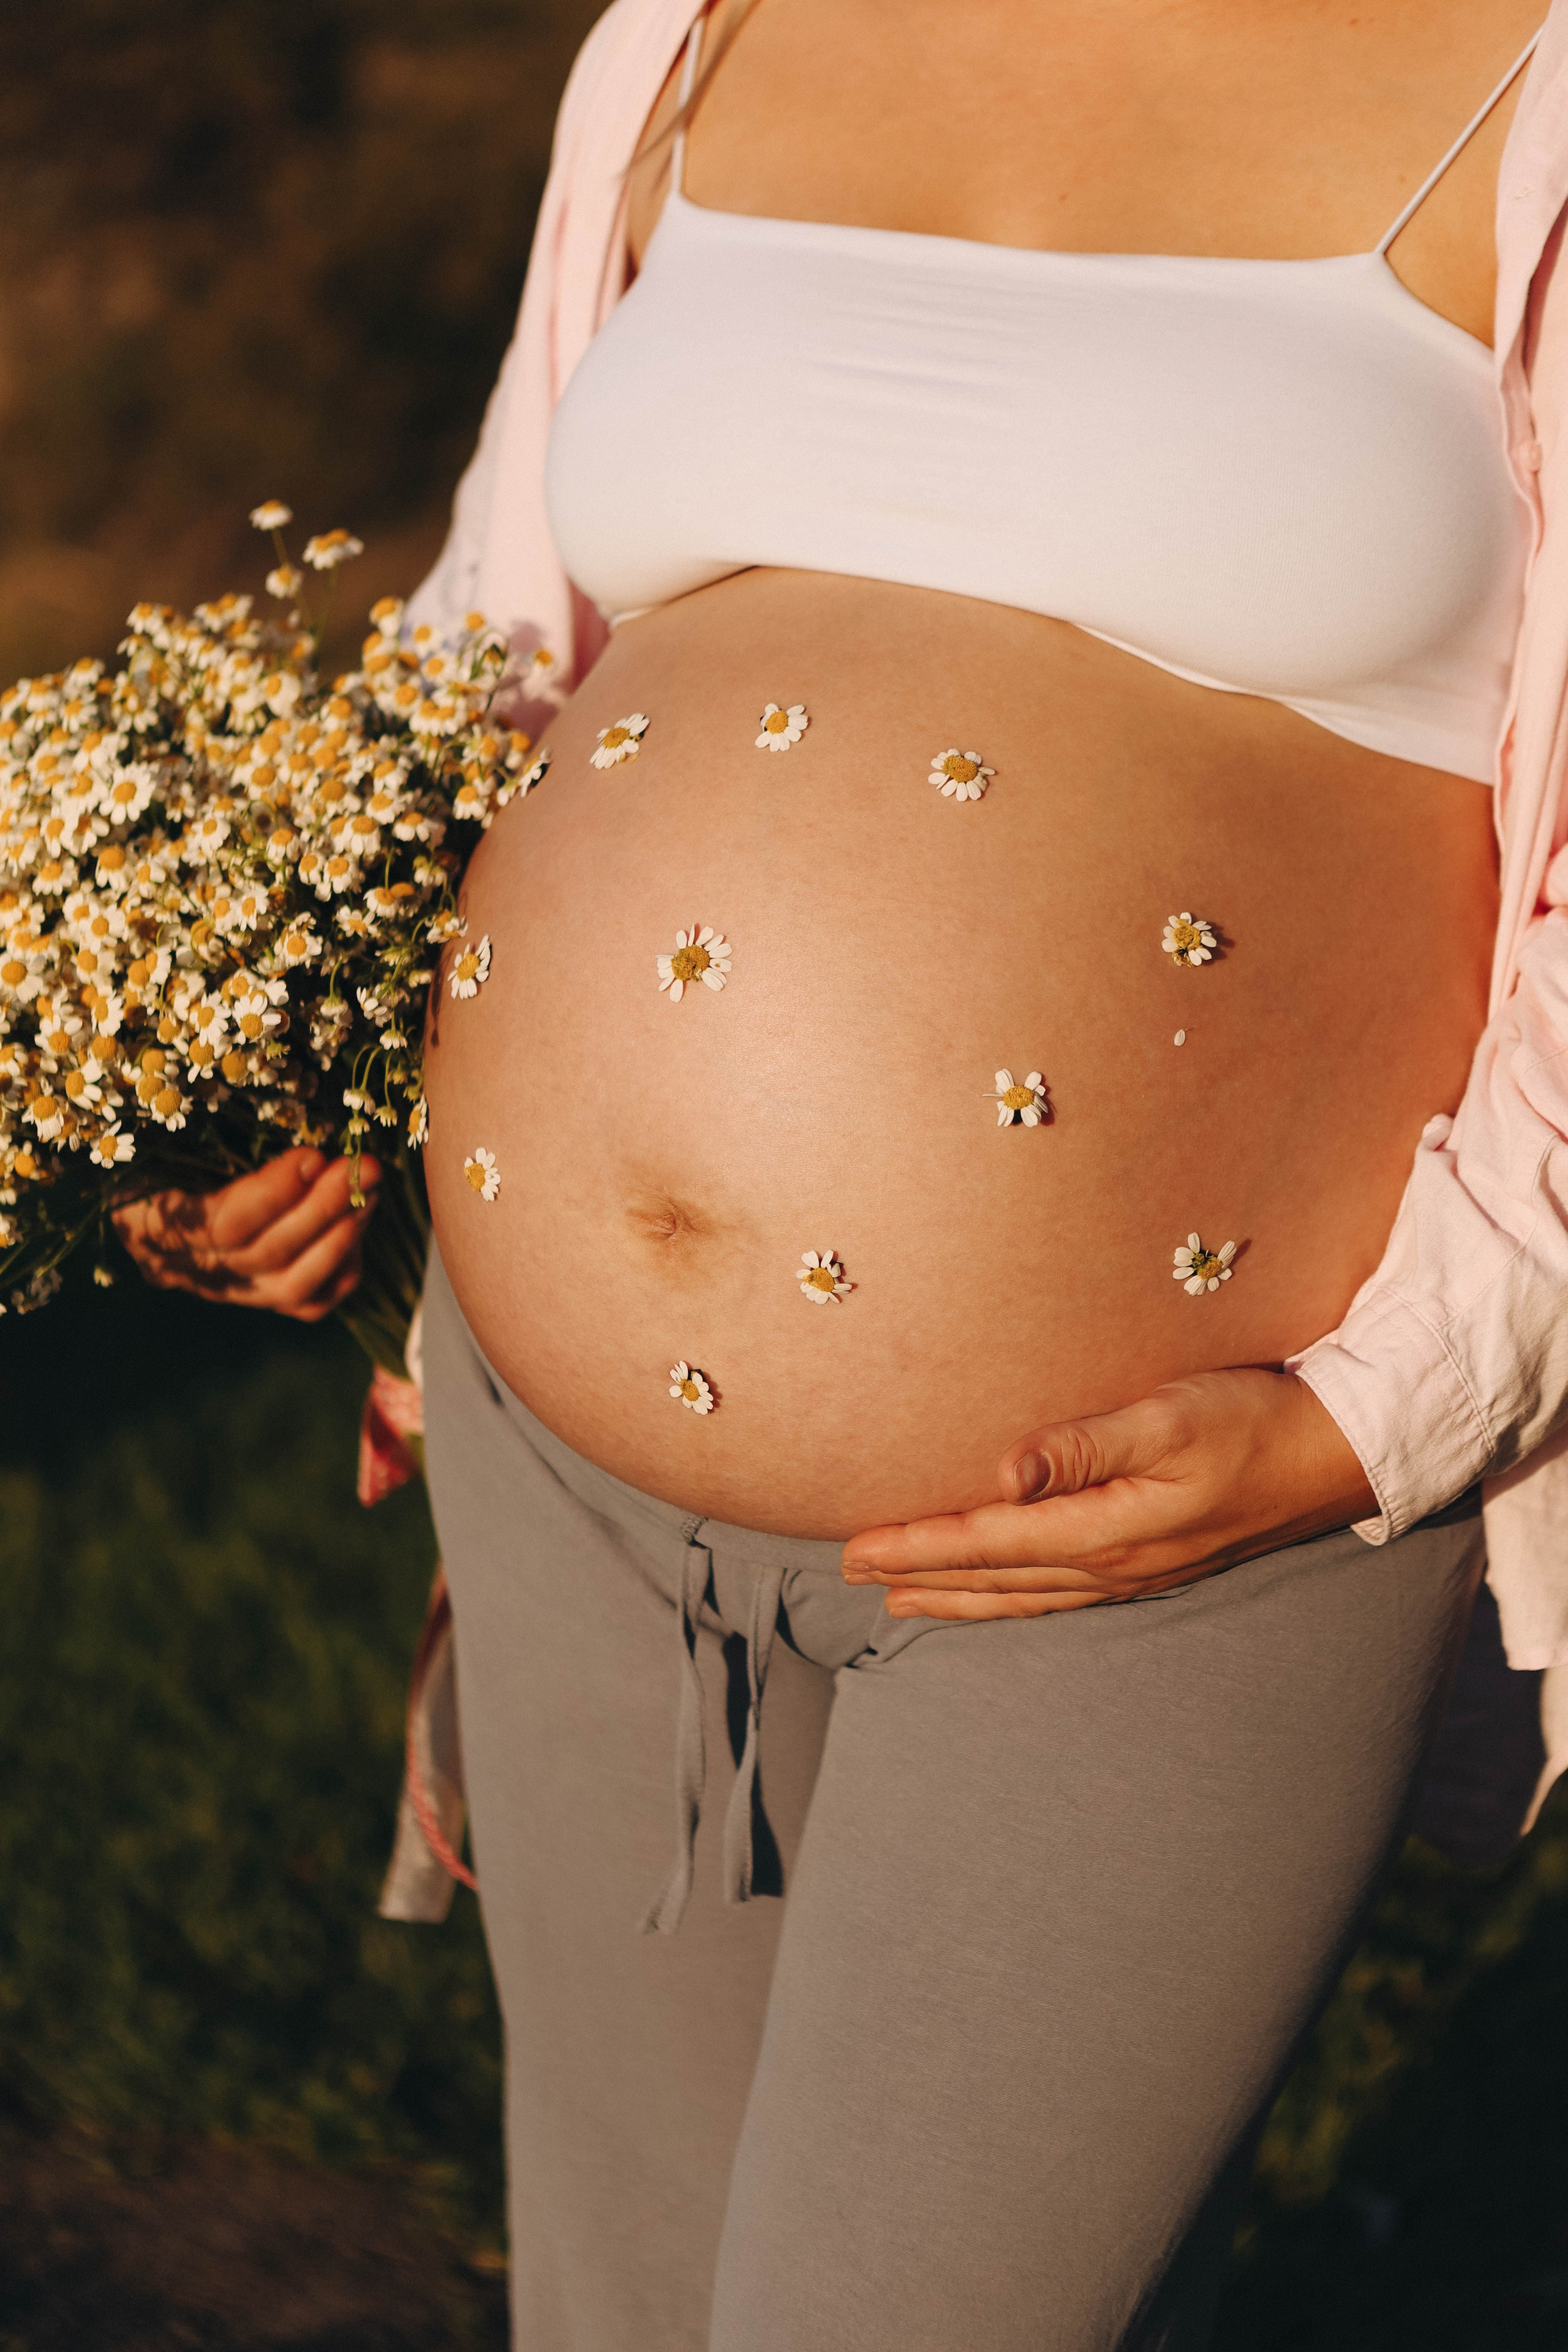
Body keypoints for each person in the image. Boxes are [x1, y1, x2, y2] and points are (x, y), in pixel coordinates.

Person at [124, 2, 1568, 2343]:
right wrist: (276, 1060)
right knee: (615, 2307)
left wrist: (1381, 1404)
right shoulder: (695, 32)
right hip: (558, 1464)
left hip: (1151, 1522)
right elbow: (500, 645)